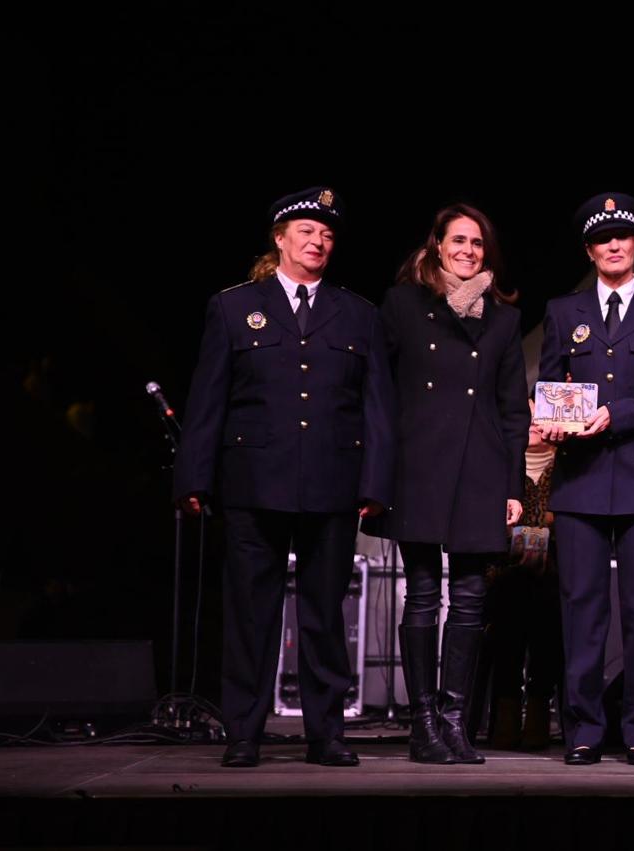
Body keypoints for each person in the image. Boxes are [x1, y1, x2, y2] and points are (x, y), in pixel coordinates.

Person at [174, 187, 395, 768]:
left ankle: (327, 735)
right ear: (279, 239)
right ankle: (243, 732)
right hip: (253, 482)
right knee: (251, 615)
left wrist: (375, 484)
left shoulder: (358, 313)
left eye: (326, 233)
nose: (318, 240)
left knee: (325, 616)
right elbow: (208, 401)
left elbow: (376, 408)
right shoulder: (232, 306)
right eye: (305, 230)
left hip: (331, 484)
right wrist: (193, 478)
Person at [537, 192, 634, 766]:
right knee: (581, 608)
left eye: (623, 236)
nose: (614, 245)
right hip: (580, 480)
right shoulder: (562, 313)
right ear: (590, 250)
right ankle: (581, 729)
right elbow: (550, 386)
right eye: (603, 239)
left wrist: (615, 414)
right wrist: (549, 422)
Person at [382, 203, 529, 764]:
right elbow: (381, 396)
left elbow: (513, 409)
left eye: (477, 243)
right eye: (458, 241)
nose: (468, 251)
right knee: (421, 595)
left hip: (481, 469)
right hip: (418, 468)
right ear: (436, 246)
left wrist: (514, 485)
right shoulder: (401, 305)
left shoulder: (504, 318)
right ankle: (423, 726)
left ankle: (454, 722)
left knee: (470, 600)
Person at [483, 400, 563, 751]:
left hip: (554, 577)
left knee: (548, 602)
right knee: (510, 596)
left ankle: (538, 708)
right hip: (503, 576)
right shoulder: (499, 468)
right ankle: (506, 711)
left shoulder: (566, 469)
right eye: (525, 414)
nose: (533, 422)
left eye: (539, 414)